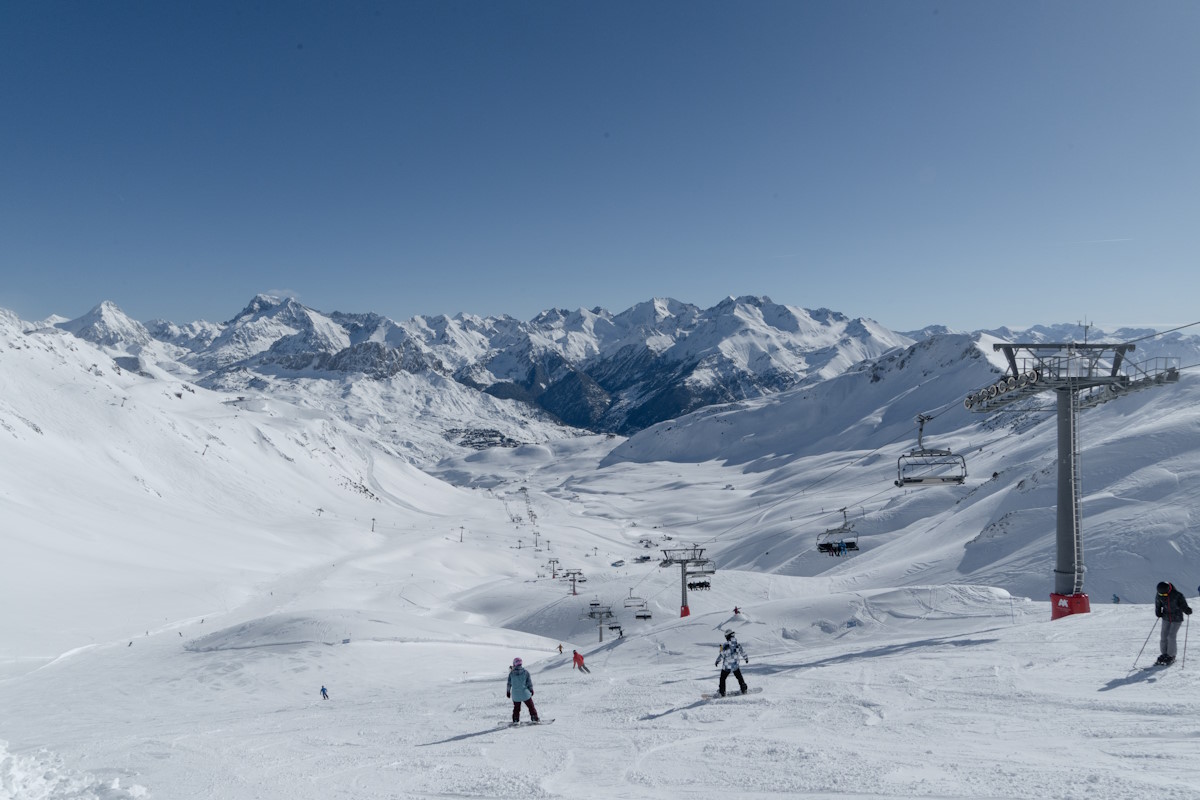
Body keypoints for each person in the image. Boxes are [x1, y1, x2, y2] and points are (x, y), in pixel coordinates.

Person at [1154, 581, 1192, 665]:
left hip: (1176, 618)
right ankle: (1164, 654)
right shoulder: (1160, 594)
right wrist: (1158, 611)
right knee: (1163, 636)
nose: (1163, 596)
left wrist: (1186, 610)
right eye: (1161, 594)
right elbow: (1158, 603)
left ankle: (1171, 655)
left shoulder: (1177, 595)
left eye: (1164, 594)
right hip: (1166, 617)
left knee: (1171, 636)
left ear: (1168, 590)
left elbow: (1183, 605)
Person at [714, 630, 749, 696]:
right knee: (739, 677)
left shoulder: (725, 645)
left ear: (727, 636)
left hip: (727, 666)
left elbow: (722, 654)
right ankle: (743, 689)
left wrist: (717, 660)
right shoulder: (738, 644)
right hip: (735, 666)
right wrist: (746, 658)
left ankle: (722, 692)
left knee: (722, 678)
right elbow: (742, 652)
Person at [506, 657, 539, 724]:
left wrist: (508, 692)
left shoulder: (511, 674)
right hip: (525, 694)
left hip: (516, 695)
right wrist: (531, 690)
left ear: (514, 664)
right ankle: (534, 718)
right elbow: (529, 683)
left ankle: (516, 720)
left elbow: (509, 684)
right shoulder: (526, 672)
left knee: (516, 708)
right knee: (531, 706)